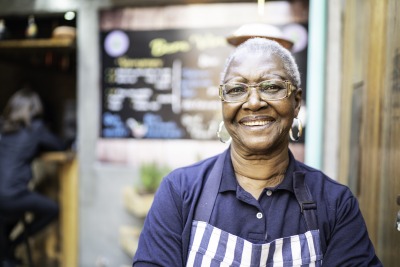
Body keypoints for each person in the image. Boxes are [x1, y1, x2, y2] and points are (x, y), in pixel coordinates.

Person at [132, 38, 382, 266]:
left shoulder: (335, 203)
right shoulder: (180, 192)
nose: (253, 103)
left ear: (296, 102)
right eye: (236, 90)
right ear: (223, 104)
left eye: (271, 86)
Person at [0, 88, 67, 267]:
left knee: (8, 217)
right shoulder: (35, 129)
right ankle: (13, 247)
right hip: (14, 195)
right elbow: (60, 145)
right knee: (52, 209)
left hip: (3, 199)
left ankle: (7, 255)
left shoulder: (2, 127)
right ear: (34, 109)